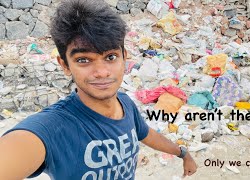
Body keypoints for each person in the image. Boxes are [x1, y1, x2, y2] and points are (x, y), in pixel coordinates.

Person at [0, 0, 197, 179]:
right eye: (83, 60)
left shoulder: (125, 103)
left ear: (124, 57)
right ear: (65, 65)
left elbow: (145, 133)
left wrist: (182, 153)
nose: (102, 72)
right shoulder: (53, 128)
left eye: (110, 57)